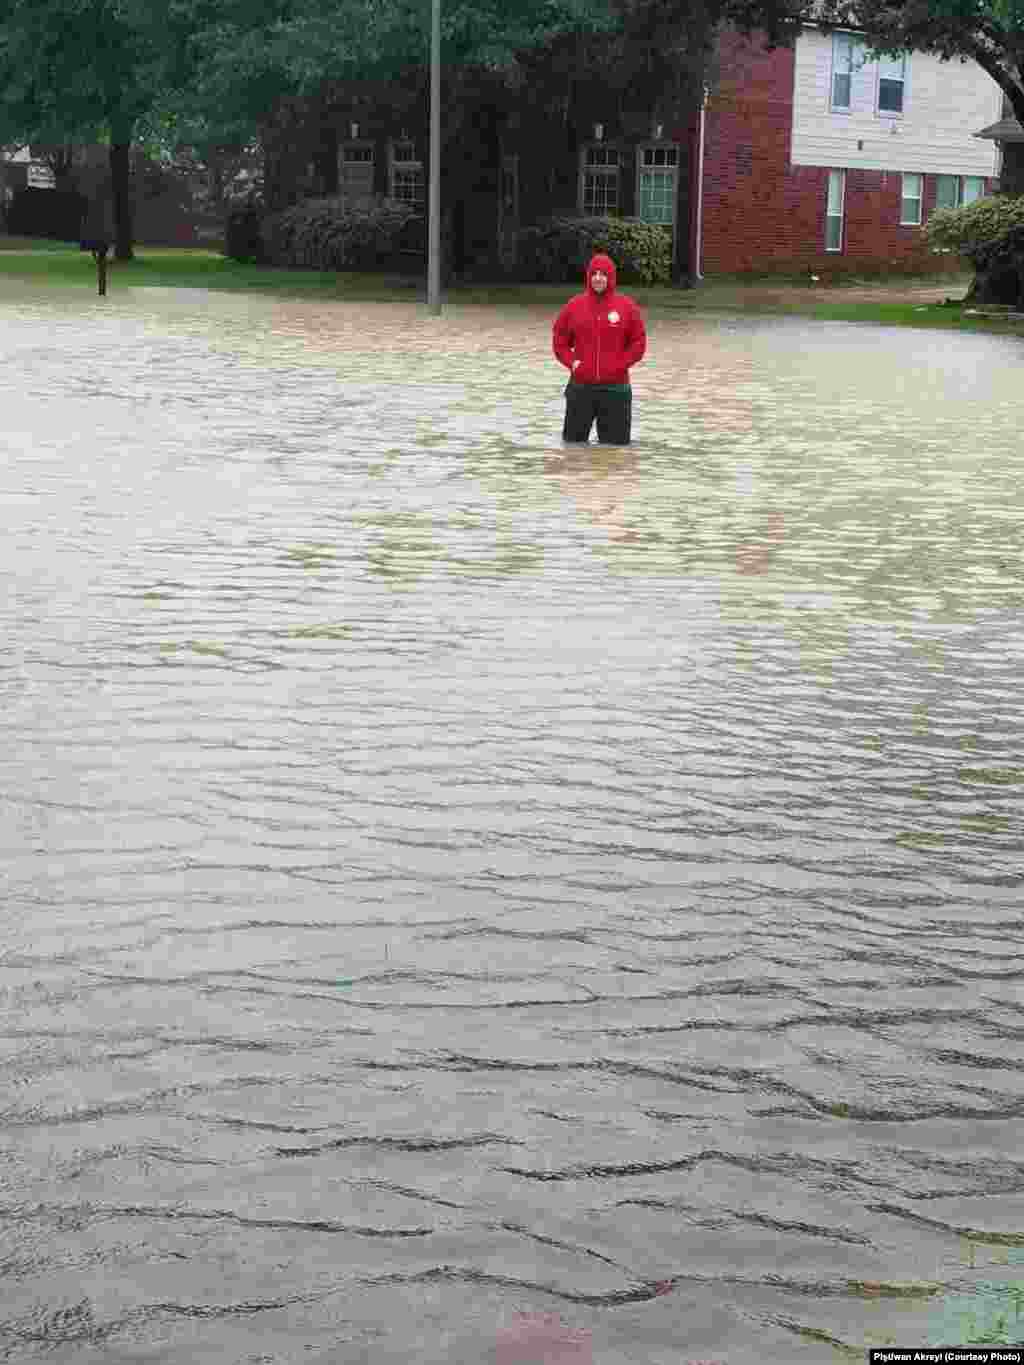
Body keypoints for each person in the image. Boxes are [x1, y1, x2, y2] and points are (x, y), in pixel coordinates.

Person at [552, 252, 647, 445]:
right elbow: (559, 341)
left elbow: (639, 343)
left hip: (616, 391)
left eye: (603, 274)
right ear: (588, 276)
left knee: (615, 451)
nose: (598, 278)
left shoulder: (626, 307)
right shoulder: (574, 306)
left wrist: (621, 364)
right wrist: (572, 363)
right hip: (581, 390)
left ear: (610, 278)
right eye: (594, 273)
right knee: (573, 449)